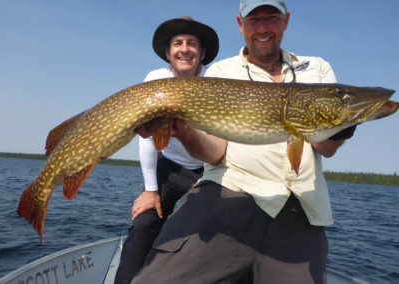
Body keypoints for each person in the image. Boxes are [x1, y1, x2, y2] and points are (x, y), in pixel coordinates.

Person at [131, 1, 357, 284]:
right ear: (241, 25)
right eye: (254, 20)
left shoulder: (317, 69)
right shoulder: (221, 72)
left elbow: (327, 148)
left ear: (285, 21)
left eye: (271, 18)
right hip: (228, 194)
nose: (262, 28)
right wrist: (183, 132)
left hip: (299, 207)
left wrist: (343, 124)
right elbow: (215, 153)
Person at [114, 17, 219, 284]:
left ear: (202, 53)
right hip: (170, 167)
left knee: (211, 233)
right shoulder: (155, 79)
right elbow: (146, 139)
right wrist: (150, 190)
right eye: (178, 43)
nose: (184, 49)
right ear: (168, 52)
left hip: (211, 169)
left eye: (192, 43)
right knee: (144, 223)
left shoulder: (217, 79)